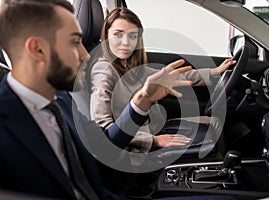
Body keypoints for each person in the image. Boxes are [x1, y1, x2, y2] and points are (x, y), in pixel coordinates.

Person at [0, 0, 196, 199]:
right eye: (75, 42)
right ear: (37, 49)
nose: (86, 55)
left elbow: (106, 146)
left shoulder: (61, 103)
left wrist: (141, 101)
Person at [89, 7, 236, 153]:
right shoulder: (104, 71)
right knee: (212, 129)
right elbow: (103, 129)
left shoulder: (130, 67)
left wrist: (215, 72)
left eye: (132, 36)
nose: (126, 42)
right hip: (138, 144)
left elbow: (177, 76)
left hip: (154, 127)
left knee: (214, 122)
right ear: (106, 37)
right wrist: (153, 141)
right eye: (118, 35)